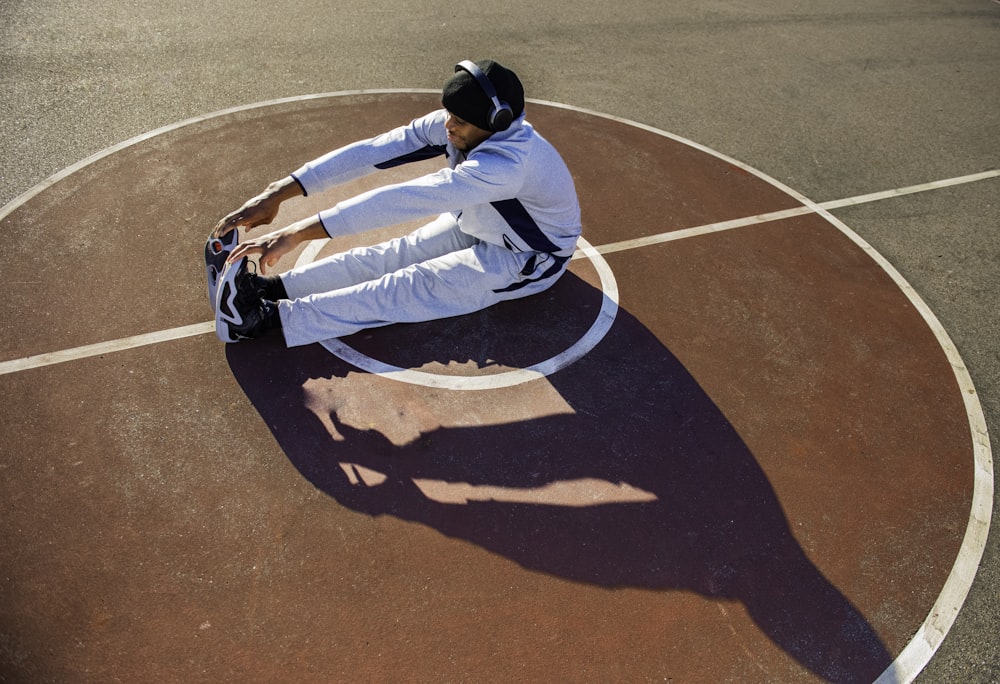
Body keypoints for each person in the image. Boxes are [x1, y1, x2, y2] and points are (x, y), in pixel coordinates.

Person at [210, 59, 581, 347]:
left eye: (461, 122)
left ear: (497, 121)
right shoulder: (461, 126)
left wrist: (298, 232)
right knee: (391, 255)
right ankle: (268, 290)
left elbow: (404, 200)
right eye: (449, 113)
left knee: (410, 287)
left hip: (529, 256)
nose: (449, 126)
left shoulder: (507, 165)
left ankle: (260, 321)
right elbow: (374, 151)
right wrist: (279, 192)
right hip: (481, 222)